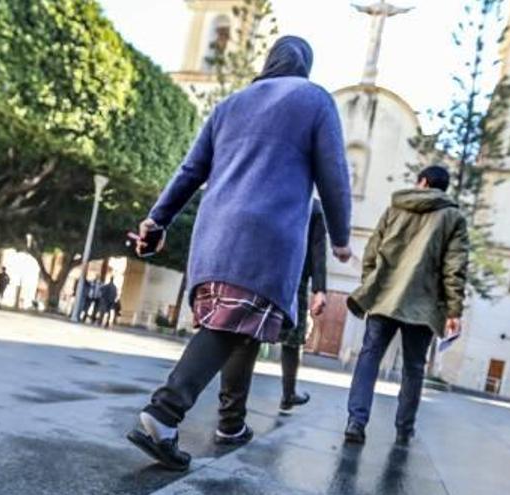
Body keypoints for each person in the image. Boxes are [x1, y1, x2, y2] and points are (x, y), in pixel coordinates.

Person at [126, 36, 353, 471]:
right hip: (266, 236)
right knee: (232, 324)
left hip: (214, 232)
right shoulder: (314, 99)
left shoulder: (231, 103)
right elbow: (334, 173)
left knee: (241, 325)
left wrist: (157, 220)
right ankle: (163, 414)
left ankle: (231, 423)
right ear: (305, 65)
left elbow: (190, 170)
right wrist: (341, 237)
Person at [343, 165, 469, 446]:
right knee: (413, 368)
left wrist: (371, 285)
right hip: (423, 305)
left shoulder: (394, 209)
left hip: (384, 298)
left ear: (422, 182)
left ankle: (356, 421)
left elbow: (372, 251)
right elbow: (455, 268)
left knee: (369, 357)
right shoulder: (453, 218)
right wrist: (453, 310)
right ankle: (404, 430)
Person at [279, 198, 328, 412]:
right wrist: (320, 289)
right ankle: (288, 394)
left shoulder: (270, 191)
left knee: (248, 334)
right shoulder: (313, 206)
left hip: (260, 270)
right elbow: (318, 250)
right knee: (293, 338)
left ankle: (232, 404)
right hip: (294, 277)